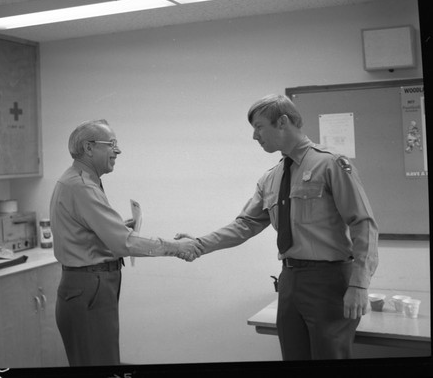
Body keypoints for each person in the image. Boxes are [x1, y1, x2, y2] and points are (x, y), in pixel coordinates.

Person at [176, 94, 378, 360]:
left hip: (329, 281)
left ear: (282, 122)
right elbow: (245, 225)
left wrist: (359, 285)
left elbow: (363, 223)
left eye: (259, 127)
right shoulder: (271, 177)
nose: (254, 136)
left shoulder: (331, 164)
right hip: (289, 280)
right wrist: (199, 244)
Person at [50, 119, 203, 366]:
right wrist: (176, 247)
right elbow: (124, 244)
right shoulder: (81, 186)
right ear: (89, 148)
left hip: (90, 286)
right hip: (89, 287)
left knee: (101, 359)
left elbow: (87, 230)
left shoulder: (79, 180)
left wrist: (115, 226)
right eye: (111, 144)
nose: (118, 151)